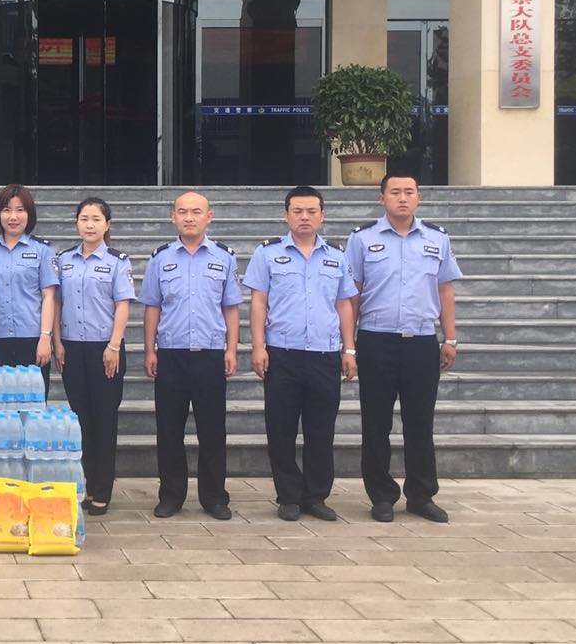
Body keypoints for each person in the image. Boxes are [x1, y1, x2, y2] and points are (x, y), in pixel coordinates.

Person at [345, 172, 462, 524]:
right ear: (382, 198)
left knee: (420, 422)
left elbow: (445, 291)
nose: (402, 198)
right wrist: (348, 346)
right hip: (375, 341)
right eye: (395, 192)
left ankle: (421, 495)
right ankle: (381, 496)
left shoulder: (437, 239)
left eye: (409, 191)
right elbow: (352, 295)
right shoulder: (362, 239)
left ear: (418, 197)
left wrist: (450, 338)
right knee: (376, 423)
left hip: (421, 343)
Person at [244, 186, 358, 523]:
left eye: (311, 211)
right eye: (297, 211)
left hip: (324, 354)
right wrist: (258, 346)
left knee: (321, 430)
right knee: (280, 429)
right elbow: (258, 302)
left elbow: (344, 304)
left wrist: (350, 348)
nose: (304, 217)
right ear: (286, 215)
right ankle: (289, 496)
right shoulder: (267, 254)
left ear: (322, 215)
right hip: (283, 354)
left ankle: (315, 496)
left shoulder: (337, 256)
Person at [140, 191, 240, 521]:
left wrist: (231, 348)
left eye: (196, 212)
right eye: (182, 212)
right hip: (171, 355)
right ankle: (171, 496)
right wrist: (150, 349)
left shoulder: (224, 257)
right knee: (169, 430)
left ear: (209, 217)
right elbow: (152, 307)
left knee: (213, 430)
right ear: (173, 217)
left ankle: (214, 497)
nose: (189, 217)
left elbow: (230, 307)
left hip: (210, 354)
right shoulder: (160, 258)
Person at [54, 196, 135, 516]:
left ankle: (102, 489)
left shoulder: (118, 261)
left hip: (105, 349)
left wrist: (114, 346)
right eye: (84, 219)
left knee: (104, 419)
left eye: (96, 219)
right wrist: (57, 342)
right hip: (72, 347)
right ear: (77, 222)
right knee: (81, 419)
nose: (89, 225)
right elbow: (56, 303)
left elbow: (122, 305)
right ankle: (87, 484)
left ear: (107, 225)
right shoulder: (64, 260)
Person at [0, 184, 59, 393]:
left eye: (20, 210)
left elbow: (49, 297)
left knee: (33, 404)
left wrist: (45, 337)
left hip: (32, 339)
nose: (13, 217)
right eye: (7, 210)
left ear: (29, 214)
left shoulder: (43, 250)